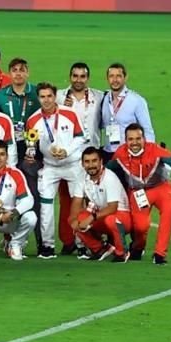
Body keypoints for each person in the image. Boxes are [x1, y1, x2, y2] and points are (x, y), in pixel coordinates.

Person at [107, 124, 171, 265]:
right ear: (126, 140)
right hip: (137, 192)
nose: (135, 142)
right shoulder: (120, 154)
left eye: (138, 138)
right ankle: (138, 247)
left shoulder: (154, 149)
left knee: (168, 213)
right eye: (131, 139)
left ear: (144, 138)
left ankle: (160, 254)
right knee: (140, 226)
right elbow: (107, 170)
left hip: (161, 188)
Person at [24, 83, 86, 260]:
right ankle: (47, 246)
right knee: (45, 206)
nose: (46, 100)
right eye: (42, 97)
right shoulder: (33, 120)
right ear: (39, 98)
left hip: (73, 164)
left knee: (78, 203)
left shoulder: (70, 113)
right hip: (50, 166)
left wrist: (67, 150)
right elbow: (31, 145)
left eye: (49, 96)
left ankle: (82, 244)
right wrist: (33, 154)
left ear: (55, 96)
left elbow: (81, 137)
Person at [55, 61, 104, 254]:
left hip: (92, 156)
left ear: (88, 78)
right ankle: (68, 241)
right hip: (69, 156)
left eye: (82, 76)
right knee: (68, 200)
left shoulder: (99, 97)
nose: (78, 80)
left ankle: (88, 241)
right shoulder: (59, 96)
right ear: (70, 77)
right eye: (75, 76)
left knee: (92, 199)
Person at [0, 57, 42, 227]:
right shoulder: (0, 96)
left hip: (31, 149)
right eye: (15, 70)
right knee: (7, 191)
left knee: (31, 191)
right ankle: (7, 232)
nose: (18, 73)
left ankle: (38, 238)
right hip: (8, 148)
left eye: (22, 70)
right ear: (10, 73)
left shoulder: (37, 93)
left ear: (27, 72)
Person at [70, 147, 138, 263]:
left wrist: (91, 218)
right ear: (82, 164)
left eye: (94, 161)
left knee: (111, 220)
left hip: (121, 217)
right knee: (75, 219)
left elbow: (113, 208)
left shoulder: (109, 178)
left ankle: (122, 252)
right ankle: (100, 249)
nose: (91, 165)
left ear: (101, 162)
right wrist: (73, 220)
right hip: (102, 215)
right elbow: (77, 201)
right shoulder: (82, 178)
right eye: (87, 162)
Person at [100, 63, 154, 158]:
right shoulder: (104, 98)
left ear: (125, 77)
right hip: (108, 153)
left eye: (118, 76)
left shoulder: (136, 100)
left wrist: (149, 155)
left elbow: (147, 130)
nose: (115, 80)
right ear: (107, 78)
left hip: (128, 154)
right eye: (111, 76)